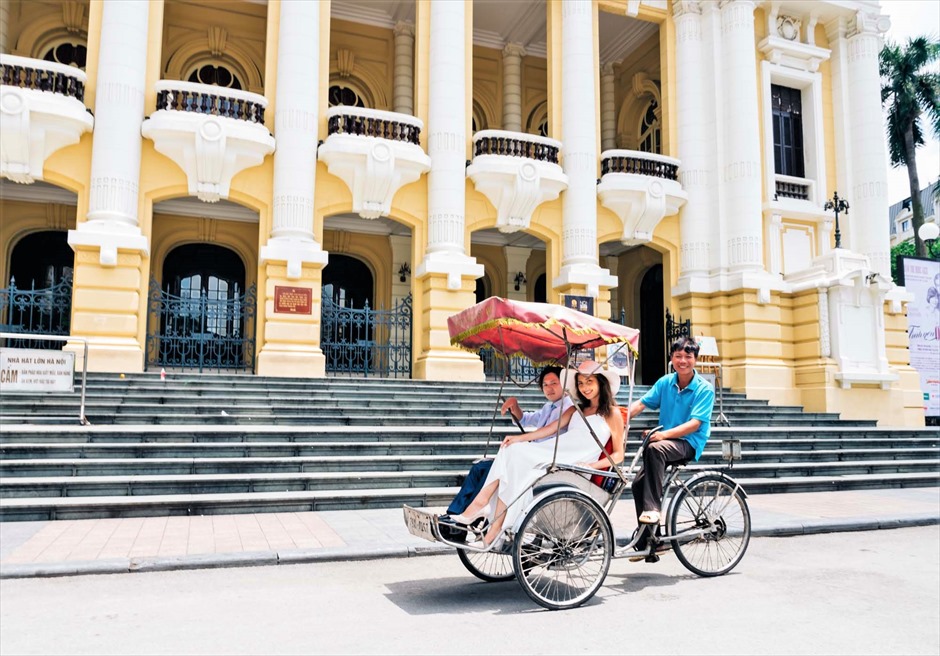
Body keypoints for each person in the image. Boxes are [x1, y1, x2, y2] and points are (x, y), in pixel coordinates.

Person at [450, 360, 625, 546]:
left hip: (576, 462)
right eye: (580, 383)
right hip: (556, 451)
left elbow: (618, 455)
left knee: (516, 456)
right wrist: (519, 438)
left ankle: (484, 515)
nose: (584, 387)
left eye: (589, 382)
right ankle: (489, 520)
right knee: (512, 449)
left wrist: (591, 466)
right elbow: (549, 430)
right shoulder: (576, 409)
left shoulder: (612, 413)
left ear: (600, 382)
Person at [439, 366, 574, 527]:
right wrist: (514, 406)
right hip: (530, 456)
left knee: (492, 470)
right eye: (545, 385)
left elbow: (548, 431)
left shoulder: (569, 408)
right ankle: (455, 515)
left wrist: (519, 440)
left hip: (542, 462)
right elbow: (526, 419)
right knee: (481, 467)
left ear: (565, 384)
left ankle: (468, 517)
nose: (549, 388)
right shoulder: (548, 407)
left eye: (554, 383)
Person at [625, 336, 715, 541]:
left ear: (695, 359)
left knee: (656, 448)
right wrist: (618, 419)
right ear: (671, 358)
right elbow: (641, 403)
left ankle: (653, 508)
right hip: (667, 442)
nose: (682, 361)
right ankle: (651, 539)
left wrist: (663, 434)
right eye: (678, 356)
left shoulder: (704, 388)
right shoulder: (666, 382)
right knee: (638, 484)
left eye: (687, 356)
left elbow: (695, 424)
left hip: (689, 443)